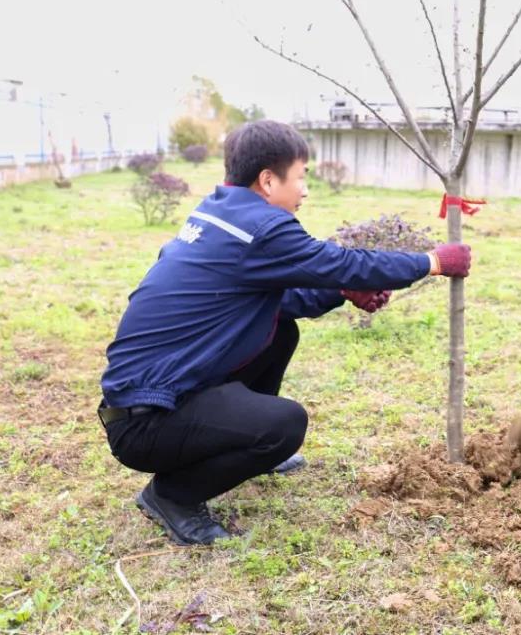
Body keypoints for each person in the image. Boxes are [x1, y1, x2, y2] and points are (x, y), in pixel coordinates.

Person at [99, 120, 472, 546]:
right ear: (268, 180)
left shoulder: (222, 213)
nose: (305, 190)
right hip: (146, 422)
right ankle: (172, 496)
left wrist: (343, 293)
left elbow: (278, 301)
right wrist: (432, 262)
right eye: (301, 176)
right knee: (285, 424)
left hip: (150, 401)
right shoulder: (261, 228)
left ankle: (245, 442)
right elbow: (344, 263)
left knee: (280, 332)